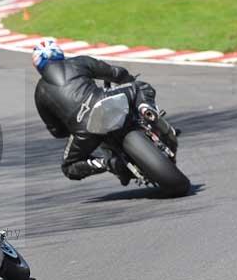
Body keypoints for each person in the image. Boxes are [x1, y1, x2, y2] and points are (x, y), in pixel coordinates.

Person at [32, 38, 157, 185]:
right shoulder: (78, 62)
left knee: (69, 166)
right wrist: (127, 79)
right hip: (103, 99)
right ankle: (147, 111)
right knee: (140, 86)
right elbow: (115, 72)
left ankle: (109, 163)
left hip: (83, 129)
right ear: (60, 54)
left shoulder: (39, 93)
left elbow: (55, 130)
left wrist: (73, 128)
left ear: (38, 65)